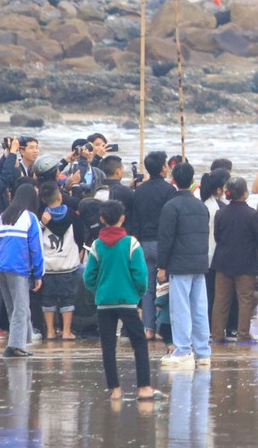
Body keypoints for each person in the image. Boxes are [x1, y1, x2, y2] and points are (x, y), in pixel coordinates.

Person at [82, 199, 156, 399]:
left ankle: (115, 390)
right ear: (123, 218)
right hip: (128, 302)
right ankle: (144, 387)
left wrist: (100, 290)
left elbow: (88, 276)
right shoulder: (131, 243)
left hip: (104, 302)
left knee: (108, 345)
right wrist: (138, 294)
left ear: (102, 219)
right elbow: (141, 275)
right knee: (139, 343)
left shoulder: (97, 245)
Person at [155, 161, 211, 368]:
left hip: (180, 264)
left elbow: (166, 238)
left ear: (173, 180)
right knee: (199, 308)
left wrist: (162, 265)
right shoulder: (201, 206)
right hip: (199, 262)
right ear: (193, 179)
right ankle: (203, 352)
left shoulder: (171, 206)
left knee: (180, 309)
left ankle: (183, 350)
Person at [0, 182, 44, 357]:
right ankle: (16, 346)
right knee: (21, 307)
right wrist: (38, 273)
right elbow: (36, 248)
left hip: (0, 267)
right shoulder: (30, 218)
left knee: (12, 307)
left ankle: (19, 342)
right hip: (18, 267)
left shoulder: (3, 216)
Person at [211, 177, 258, 343]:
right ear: (245, 193)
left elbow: (217, 236)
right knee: (245, 299)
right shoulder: (252, 214)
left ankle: (217, 335)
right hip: (245, 264)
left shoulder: (221, 213)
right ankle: (243, 334)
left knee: (220, 300)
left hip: (222, 262)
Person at [131, 150, 174, 338]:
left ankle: (147, 327)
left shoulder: (139, 190)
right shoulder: (169, 190)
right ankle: (161, 327)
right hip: (163, 243)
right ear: (163, 168)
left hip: (144, 243)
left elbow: (135, 219)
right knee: (165, 287)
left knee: (147, 288)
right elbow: (170, 221)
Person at [38, 180, 84, 341]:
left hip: (48, 266)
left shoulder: (42, 217)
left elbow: (36, 239)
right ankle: (66, 331)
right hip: (68, 264)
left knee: (48, 298)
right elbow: (80, 237)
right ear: (59, 196)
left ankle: (50, 331)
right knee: (68, 298)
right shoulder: (71, 214)